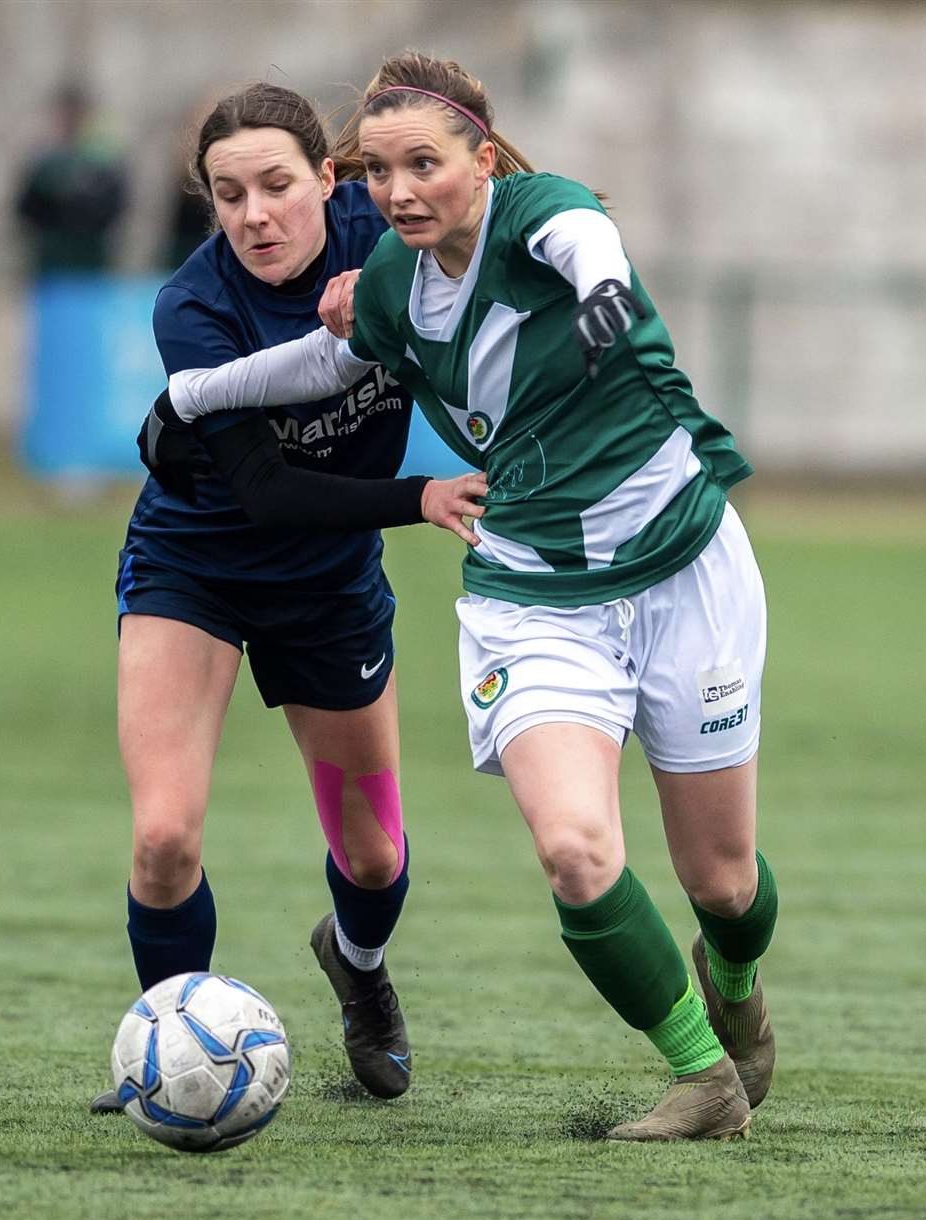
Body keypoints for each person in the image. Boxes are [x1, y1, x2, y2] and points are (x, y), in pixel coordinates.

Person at [153, 52, 779, 1142]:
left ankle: (734, 971)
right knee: (578, 851)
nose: (401, 191)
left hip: (683, 564)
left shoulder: (548, 216)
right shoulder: (388, 285)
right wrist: (190, 397)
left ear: (483, 163)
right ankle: (701, 1076)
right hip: (533, 592)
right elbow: (316, 366)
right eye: (384, 171)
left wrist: (606, 294)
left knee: (722, 880)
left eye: (426, 166)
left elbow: (588, 247)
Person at [91, 82, 487, 1114]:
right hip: (197, 565)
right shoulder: (194, 306)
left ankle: (357, 963)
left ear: (328, 177)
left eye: (276, 184)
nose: (255, 214)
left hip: (328, 585)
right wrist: (421, 495)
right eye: (228, 195)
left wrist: (401, 269)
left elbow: (500, 207)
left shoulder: (384, 222)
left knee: (374, 853)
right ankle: (174, 1054)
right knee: (164, 838)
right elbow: (264, 490)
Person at [15, 82, 129, 274]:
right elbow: (26, 208)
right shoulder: (44, 160)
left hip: (91, 263)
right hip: (51, 263)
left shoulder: (104, 163)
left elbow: (115, 206)